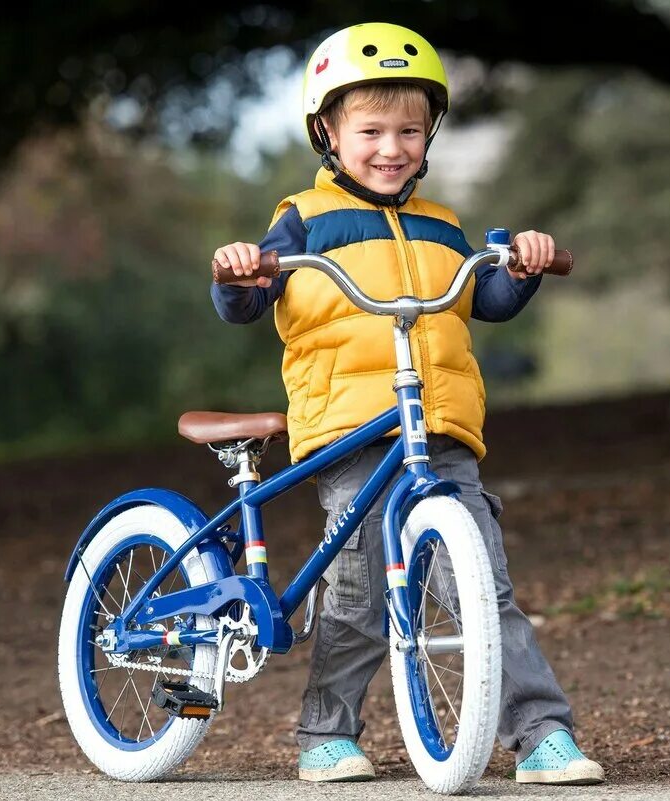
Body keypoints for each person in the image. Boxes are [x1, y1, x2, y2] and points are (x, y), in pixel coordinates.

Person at [210, 22, 604, 786]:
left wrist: (519, 263)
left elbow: (485, 296)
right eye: (370, 130)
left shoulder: (443, 224)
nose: (391, 147)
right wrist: (239, 273)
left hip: (440, 430)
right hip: (353, 431)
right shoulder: (301, 218)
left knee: (485, 589)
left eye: (410, 130)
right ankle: (326, 732)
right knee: (355, 593)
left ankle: (541, 731)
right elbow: (245, 303)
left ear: (430, 135)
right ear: (327, 130)